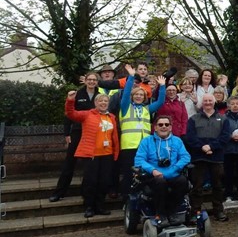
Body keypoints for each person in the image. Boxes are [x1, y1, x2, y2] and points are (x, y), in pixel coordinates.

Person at [49, 72, 105, 202]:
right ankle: (59, 192)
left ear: (97, 81)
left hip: (93, 133)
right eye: (89, 79)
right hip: (78, 131)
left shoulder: (100, 95)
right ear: (84, 81)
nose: (91, 82)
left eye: (94, 80)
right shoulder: (77, 94)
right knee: (69, 163)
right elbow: (68, 114)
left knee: (90, 165)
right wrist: (66, 133)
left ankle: (87, 195)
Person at [64, 90, 119, 217]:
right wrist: (70, 100)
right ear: (95, 103)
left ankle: (100, 206)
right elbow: (71, 113)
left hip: (107, 154)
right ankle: (89, 206)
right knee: (91, 181)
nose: (103, 103)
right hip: (92, 155)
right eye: (100, 101)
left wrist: (116, 152)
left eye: (105, 101)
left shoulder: (112, 117)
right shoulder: (88, 114)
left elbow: (114, 136)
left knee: (104, 181)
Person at [117, 66, 166, 199]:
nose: (139, 96)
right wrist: (131, 77)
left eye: (141, 95)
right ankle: (126, 197)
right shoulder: (125, 107)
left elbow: (161, 102)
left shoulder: (147, 109)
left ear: (145, 97)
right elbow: (126, 94)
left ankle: (141, 196)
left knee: (144, 172)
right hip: (129, 146)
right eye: (136, 94)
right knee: (128, 173)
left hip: (145, 146)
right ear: (133, 97)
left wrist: (162, 86)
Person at [134, 115, 191, 227]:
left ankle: (172, 212)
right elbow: (139, 160)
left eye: (166, 125)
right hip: (153, 176)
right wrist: (153, 170)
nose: (163, 127)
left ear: (170, 127)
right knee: (160, 182)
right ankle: (161, 214)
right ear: (155, 127)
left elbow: (186, 157)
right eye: (160, 125)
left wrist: (175, 168)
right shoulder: (146, 141)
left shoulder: (177, 141)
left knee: (183, 181)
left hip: (173, 173)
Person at [185, 93, 231, 221]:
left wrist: (211, 147)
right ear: (201, 103)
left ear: (214, 102)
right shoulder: (194, 119)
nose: (208, 103)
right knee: (197, 186)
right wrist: (202, 147)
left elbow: (225, 137)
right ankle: (195, 212)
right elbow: (190, 137)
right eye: (205, 101)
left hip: (216, 157)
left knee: (218, 185)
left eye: (210, 100)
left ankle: (218, 211)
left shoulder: (223, 119)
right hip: (198, 157)